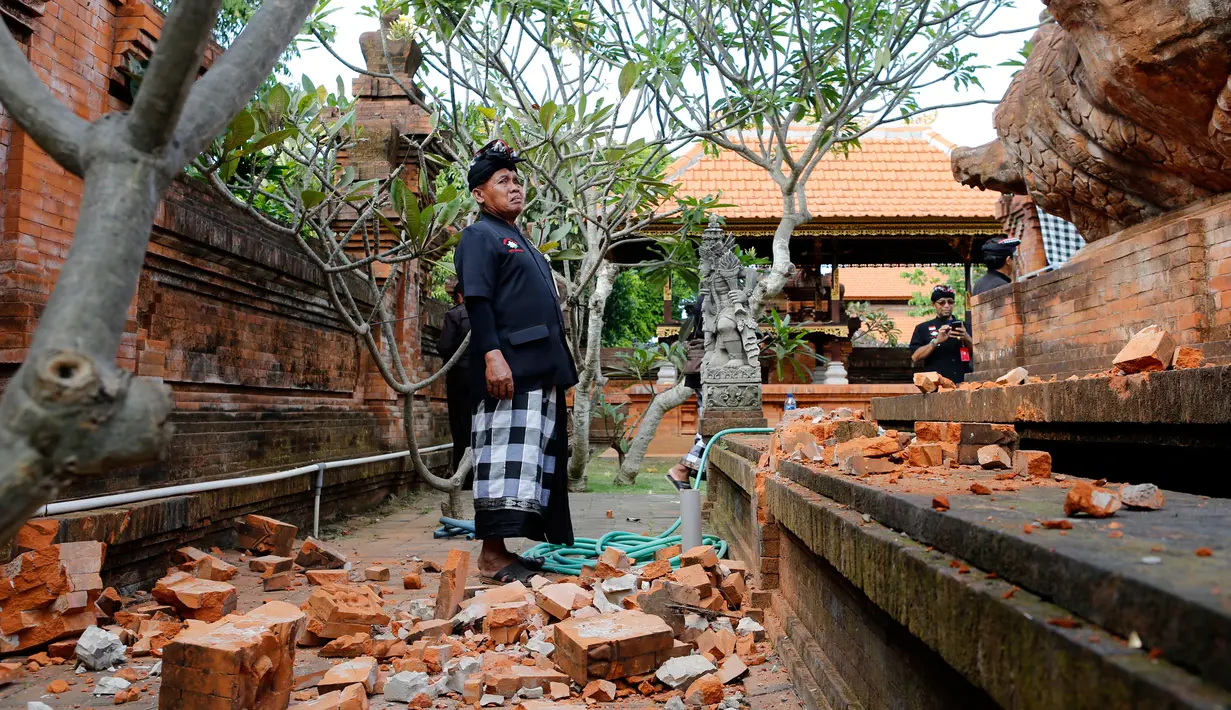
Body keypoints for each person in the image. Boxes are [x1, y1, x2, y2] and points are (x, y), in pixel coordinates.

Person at [455, 139, 578, 584]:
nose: (514, 187)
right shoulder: (479, 236)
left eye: (517, 180)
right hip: (509, 368)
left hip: (539, 369)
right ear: (479, 193)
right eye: (502, 181)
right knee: (504, 456)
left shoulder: (518, 238)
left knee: (530, 460)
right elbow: (479, 303)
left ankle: (504, 552)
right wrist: (492, 356)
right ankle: (491, 555)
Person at [665, 296, 706, 490]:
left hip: (702, 368)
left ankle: (686, 469)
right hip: (707, 368)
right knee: (712, 427)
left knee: (705, 425)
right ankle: (682, 468)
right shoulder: (712, 295)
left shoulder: (708, 293)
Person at [437, 281, 472, 482]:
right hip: (486, 378)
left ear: (459, 296)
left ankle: (464, 477)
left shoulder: (455, 314)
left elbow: (444, 346)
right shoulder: (488, 313)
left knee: (460, 427)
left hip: (460, 378)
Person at [909, 285, 973, 383]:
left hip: (963, 382)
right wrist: (936, 341)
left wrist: (967, 337)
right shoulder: (923, 328)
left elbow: (981, 352)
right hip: (936, 384)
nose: (946, 305)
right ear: (933, 304)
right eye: (942, 302)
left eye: (950, 302)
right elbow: (915, 357)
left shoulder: (965, 326)